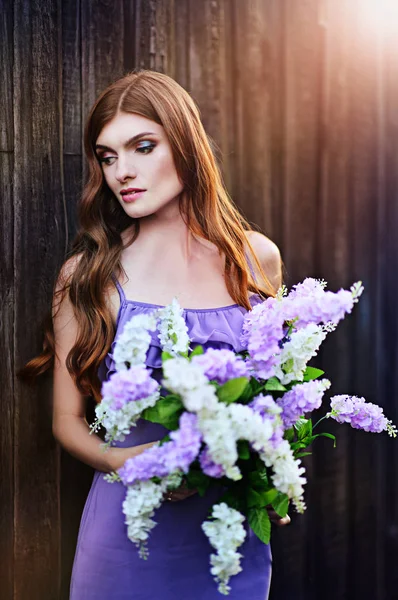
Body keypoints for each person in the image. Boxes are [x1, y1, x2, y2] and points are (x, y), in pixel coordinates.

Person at [22, 70, 289, 599]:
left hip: (229, 534)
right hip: (126, 533)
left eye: (142, 146)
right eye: (108, 156)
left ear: (185, 145)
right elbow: (67, 420)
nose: (123, 171)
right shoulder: (87, 275)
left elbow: (273, 394)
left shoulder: (255, 259)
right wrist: (122, 460)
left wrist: (270, 477)